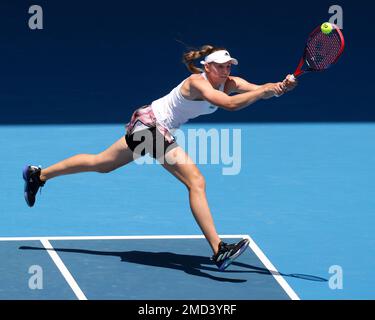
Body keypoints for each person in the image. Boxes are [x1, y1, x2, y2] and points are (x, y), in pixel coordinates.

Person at [23, 45, 297, 271]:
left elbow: (258, 88)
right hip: (150, 127)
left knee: (101, 164)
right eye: (222, 65)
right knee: (196, 181)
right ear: (207, 67)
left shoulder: (231, 82)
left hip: (151, 124)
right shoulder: (196, 83)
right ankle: (218, 250)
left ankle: (39, 174)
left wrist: (280, 86)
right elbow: (229, 105)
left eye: (229, 65)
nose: (228, 69)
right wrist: (264, 92)